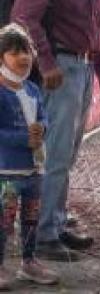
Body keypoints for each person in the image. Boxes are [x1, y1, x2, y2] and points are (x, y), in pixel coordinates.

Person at [10, 0, 100, 262]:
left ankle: (52, 222)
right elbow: (24, 17)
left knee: (67, 154)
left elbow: (96, 32)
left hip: (81, 70)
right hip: (62, 73)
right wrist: (48, 62)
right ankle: (43, 235)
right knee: (55, 155)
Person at [0, 24, 59, 288]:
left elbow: (43, 116)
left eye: (26, 51)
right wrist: (25, 139)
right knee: (4, 221)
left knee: (31, 219)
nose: (23, 58)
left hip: (35, 170)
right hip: (7, 172)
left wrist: (42, 127)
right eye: (14, 53)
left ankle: (29, 262)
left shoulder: (33, 89)